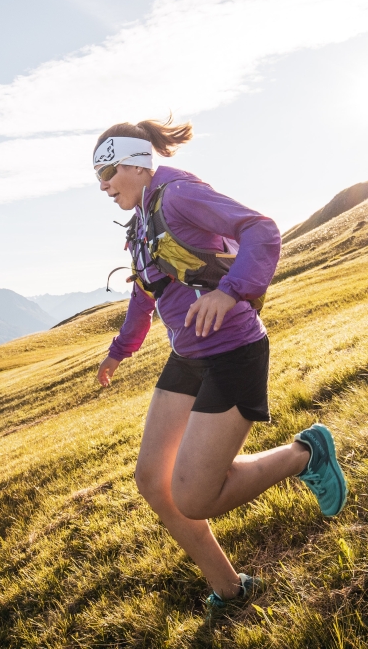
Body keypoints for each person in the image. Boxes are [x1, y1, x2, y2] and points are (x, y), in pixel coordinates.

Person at [94, 117, 347, 613]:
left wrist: (231, 293)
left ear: (137, 162)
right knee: (153, 481)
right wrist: (119, 351)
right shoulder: (143, 218)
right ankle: (232, 589)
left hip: (232, 353)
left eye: (108, 173)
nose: (103, 186)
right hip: (189, 356)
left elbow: (261, 229)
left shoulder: (180, 194)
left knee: (194, 496)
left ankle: (305, 454)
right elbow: (148, 293)